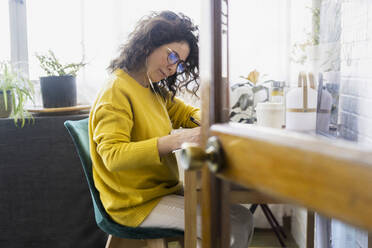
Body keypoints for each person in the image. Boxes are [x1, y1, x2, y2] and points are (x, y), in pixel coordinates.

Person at [88, 10, 253, 247]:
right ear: (149, 44)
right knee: (229, 226)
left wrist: (207, 122)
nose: (173, 69)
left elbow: (184, 113)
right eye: (172, 56)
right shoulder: (117, 91)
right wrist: (178, 140)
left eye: (180, 64)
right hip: (135, 202)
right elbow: (113, 157)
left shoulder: (151, 87)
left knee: (242, 217)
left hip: (160, 190)